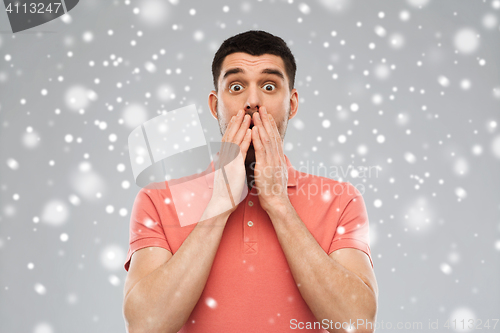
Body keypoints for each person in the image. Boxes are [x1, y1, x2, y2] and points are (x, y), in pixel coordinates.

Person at [122, 30, 378, 333]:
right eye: (236, 86)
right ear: (215, 105)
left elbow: (358, 324)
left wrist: (279, 205)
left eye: (269, 86)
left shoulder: (340, 199)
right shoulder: (157, 200)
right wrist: (218, 205)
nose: (253, 101)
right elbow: (145, 326)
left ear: (292, 104)